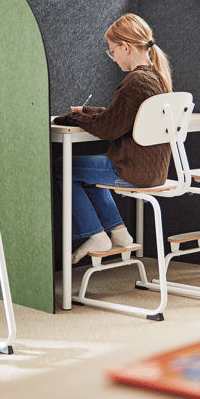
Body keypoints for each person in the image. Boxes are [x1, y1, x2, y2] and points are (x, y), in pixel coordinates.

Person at [53, 13, 173, 262]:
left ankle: (96, 234)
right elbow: (119, 116)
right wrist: (86, 112)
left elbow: (109, 128)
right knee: (85, 173)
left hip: (132, 170)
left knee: (61, 168)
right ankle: (119, 232)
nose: (112, 57)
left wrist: (66, 118)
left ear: (125, 47)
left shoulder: (134, 82)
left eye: (112, 51)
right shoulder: (156, 78)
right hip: (154, 170)